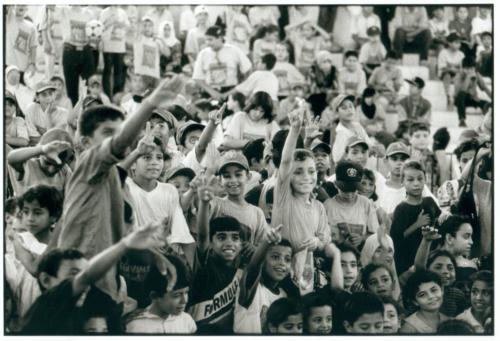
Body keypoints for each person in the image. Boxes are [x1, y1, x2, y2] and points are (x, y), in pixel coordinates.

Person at [54, 77, 184, 301]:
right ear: (85, 143)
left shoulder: (111, 174)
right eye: (107, 132)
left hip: (105, 280)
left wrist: (151, 254)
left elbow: (122, 232)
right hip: (79, 282)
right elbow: (118, 144)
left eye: (119, 130)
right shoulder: (87, 162)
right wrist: (150, 104)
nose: (117, 137)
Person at [21, 222, 171, 335]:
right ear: (46, 280)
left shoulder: (96, 308)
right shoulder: (45, 308)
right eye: (74, 274)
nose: (86, 284)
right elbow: (86, 277)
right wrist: (125, 244)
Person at [271, 107, 330, 264]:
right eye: (298, 172)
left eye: (311, 171)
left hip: (306, 277)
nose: (306, 177)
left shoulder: (319, 207)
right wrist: (295, 130)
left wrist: (317, 243)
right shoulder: (283, 196)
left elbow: (324, 238)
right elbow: (285, 161)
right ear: (288, 176)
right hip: (280, 270)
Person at [233, 225, 299, 333]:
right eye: (275, 257)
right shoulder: (252, 288)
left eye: (287, 259)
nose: (282, 263)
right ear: (262, 259)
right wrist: (267, 242)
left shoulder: (284, 295)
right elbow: (252, 268)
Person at [390, 160, 441, 274]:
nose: (416, 183)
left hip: (431, 259)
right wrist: (417, 224)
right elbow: (396, 239)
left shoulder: (430, 202)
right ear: (402, 181)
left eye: (420, 179)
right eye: (410, 180)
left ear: (425, 179)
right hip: (409, 263)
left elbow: (439, 222)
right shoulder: (401, 209)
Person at [125, 256, 197, 334]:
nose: (185, 300)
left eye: (186, 292)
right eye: (176, 295)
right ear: (154, 296)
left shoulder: (186, 321)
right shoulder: (136, 327)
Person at [325, 161, 379, 250]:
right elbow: (321, 236)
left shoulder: (366, 204)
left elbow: (375, 234)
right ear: (335, 184)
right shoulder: (328, 206)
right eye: (345, 190)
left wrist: (362, 238)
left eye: (353, 190)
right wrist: (339, 240)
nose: (349, 194)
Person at [7, 128, 73, 196]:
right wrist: (42, 149)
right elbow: (11, 158)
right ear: (39, 155)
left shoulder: (65, 171)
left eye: (58, 166)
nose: (51, 170)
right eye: (47, 163)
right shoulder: (28, 166)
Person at [192, 25, 252, 99]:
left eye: (210, 40)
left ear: (220, 38)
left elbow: (248, 69)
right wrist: (213, 93)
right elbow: (197, 77)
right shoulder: (203, 54)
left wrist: (238, 89)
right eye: (206, 40)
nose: (207, 43)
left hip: (231, 92)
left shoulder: (234, 50)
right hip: (210, 93)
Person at [24, 81, 71, 145]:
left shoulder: (64, 113)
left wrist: (48, 115)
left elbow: (55, 141)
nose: (48, 98)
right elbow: (32, 137)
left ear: (54, 95)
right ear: (37, 98)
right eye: (44, 95)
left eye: (50, 93)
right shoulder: (31, 108)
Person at [329, 94, 371, 163]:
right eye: (344, 108)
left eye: (351, 106)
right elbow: (336, 159)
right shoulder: (340, 132)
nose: (349, 110)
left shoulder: (357, 126)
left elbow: (369, 145)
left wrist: (375, 148)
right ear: (337, 113)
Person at [100, 5, 130, 98]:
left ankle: (117, 96)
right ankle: (107, 96)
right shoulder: (104, 12)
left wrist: (121, 26)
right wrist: (110, 22)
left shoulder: (123, 13)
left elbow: (127, 27)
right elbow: (100, 28)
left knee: (119, 72)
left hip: (120, 47)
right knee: (107, 72)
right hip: (108, 47)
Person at [453, 57, 491, 127]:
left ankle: (487, 123)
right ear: (463, 68)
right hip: (460, 99)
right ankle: (462, 120)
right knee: (461, 95)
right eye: (467, 69)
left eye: (472, 69)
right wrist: (468, 78)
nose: (470, 71)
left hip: (472, 98)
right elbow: (460, 91)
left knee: (487, 104)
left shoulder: (476, 74)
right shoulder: (458, 75)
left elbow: (484, 88)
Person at [5, 6, 37, 82]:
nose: (21, 5)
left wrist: (32, 64)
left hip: (22, 68)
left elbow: (33, 47)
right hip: (7, 66)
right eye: (18, 3)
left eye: (23, 4)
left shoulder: (31, 27)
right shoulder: (8, 20)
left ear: (27, 8)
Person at [409, 122, 440, 193]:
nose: (422, 139)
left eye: (425, 136)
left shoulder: (433, 157)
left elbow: (437, 180)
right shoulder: (405, 155)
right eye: (417, 136)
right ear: (410, 139)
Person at [438, 33, 465, 109]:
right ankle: (447, 96)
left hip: (457, 74)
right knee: (447, 75)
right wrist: (452, 68)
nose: (459, 45)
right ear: (449, 43)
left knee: (458, 77)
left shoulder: (461, 54)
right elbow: (442, 67)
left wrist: (451, 66)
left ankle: (455, 97)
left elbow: (462, 68)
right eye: (456, 43)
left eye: (459, 43)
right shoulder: (443, 52)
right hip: (445, 73)